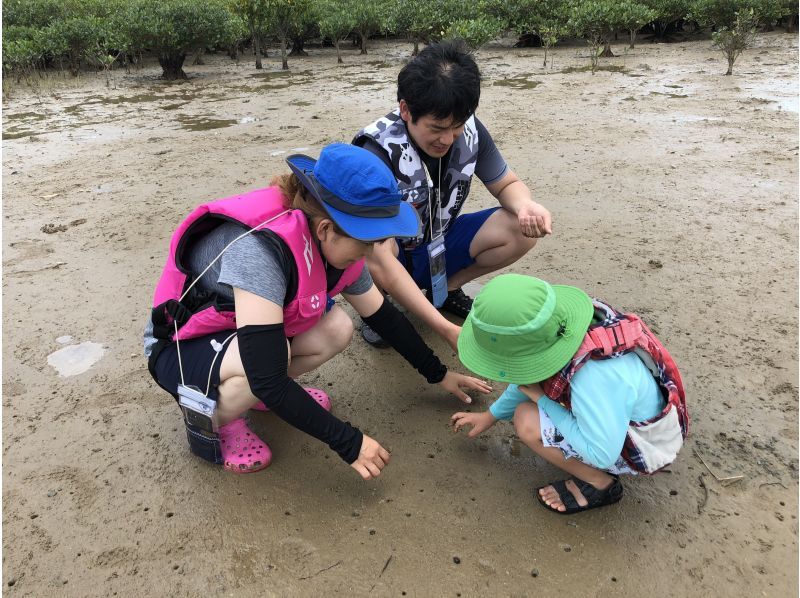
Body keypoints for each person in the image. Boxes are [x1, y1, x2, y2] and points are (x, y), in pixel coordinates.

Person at [144, 143, 490, 478]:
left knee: (338, 327)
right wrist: (349, 443)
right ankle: (223, 419)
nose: (375, 251)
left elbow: (384, 317)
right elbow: (268, 378)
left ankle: (256, 397)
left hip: (240, 333)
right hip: (181, 347)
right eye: (368, 241)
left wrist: (439, 374)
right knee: (264, 370)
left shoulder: (339, 242)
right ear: (326, 229)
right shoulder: (259, 252)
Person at [353, 40, 552, 349]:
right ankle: (381, 310)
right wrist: (445, 329)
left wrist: (525, 205)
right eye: (436, 128)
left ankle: (444, 290)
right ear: (406, 110)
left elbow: (506, 184)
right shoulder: (376, 151)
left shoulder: (470, 130)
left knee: (519, 228)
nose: (447, 139)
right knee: (372, 248)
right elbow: (375, 255)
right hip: (393, 253)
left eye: (456, 126)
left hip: (438, 240)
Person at [451, 274, 688, 514]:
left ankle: (600, 484)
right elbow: (527, 379)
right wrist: (490, 416)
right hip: (621, 413)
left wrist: (543, 400)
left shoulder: (591, 378)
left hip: (644, 445)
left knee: (526, 419)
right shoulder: (562, 326)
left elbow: (601, 454)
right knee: (537, 402)